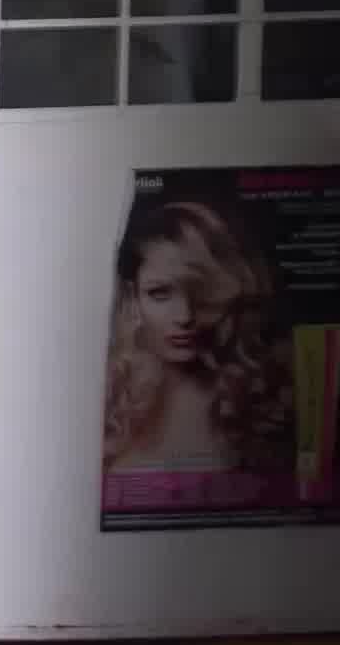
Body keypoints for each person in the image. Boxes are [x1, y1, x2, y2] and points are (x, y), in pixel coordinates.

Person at [100, 200, 289, 482]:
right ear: (132, 297)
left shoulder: (254, 410)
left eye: (200, 291)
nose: (185, 315)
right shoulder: (112, 407)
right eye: (160, 293)